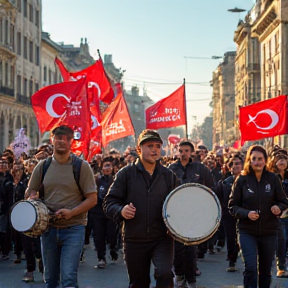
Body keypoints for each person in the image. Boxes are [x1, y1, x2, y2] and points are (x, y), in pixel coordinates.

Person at [103, 129, 178, 288]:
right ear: (139, 149)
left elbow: (180, 203)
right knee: (138, 283)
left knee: (165, 274)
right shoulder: (126, 174)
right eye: (150, 145)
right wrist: (121, 210)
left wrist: (178, 226)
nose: (154, 149)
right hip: (134, 239)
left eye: (157, 146)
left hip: (162, 238)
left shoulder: (168, 176)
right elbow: (109, 202)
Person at [25, 125, 97, 288]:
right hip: (48, 228)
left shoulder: (81, 166)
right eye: (58, 137)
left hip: (74, 228)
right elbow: (30, 191)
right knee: (50, 280)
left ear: (71, 142)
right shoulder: (43, 166)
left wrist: (71, 213)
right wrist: (33, 197)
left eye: (66, 138)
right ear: (52, 140)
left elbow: (92, 199)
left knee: (68, 278)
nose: (62, 141)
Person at [228, 145, 288, 288]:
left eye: (260, 159)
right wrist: (246, 213)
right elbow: (232, 206)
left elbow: (283, 201)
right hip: (247, 231)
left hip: (269, 232)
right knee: (250, 268)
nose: (257, 162)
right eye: (253, 159)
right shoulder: (242, 180)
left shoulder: (273, 179)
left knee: (265, 271)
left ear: (265, 161)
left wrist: (278, 208)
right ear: (249, 160)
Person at [168, 140, 214, 288]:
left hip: (194, 213)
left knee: (191, 248)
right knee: (177, 248)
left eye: (186, 150)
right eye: (181, 150)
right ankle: (179, 276)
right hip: (176, 214)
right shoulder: (171, 169)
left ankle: (191, 279)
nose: (183, 153)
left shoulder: (200, 169)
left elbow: (210, 188)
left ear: (191, 152)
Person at [89, 156, 118, 268]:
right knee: (98, 236)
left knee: (112, 235)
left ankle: (113, 248)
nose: (107, 168)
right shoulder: (96, 180)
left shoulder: (117, 180)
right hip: (98, 212)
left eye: (109, 166)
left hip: (112, 213)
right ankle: (101, 258)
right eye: (105, 166)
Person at [216, 154, 243, 272]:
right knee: (231, 238)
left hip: (244, 215)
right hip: (229, 215)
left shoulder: (249, 180)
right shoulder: (224, 182)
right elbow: (218, 196)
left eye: (238, 163)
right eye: (233, 164)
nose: (236, 166)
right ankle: (232, 260)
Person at [267, 151, 288, 278]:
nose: (282, 161)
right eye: (279, 158)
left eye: (284, 158)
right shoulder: (271, 177)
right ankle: (281, 267)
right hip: (278, 214)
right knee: (281, 240)